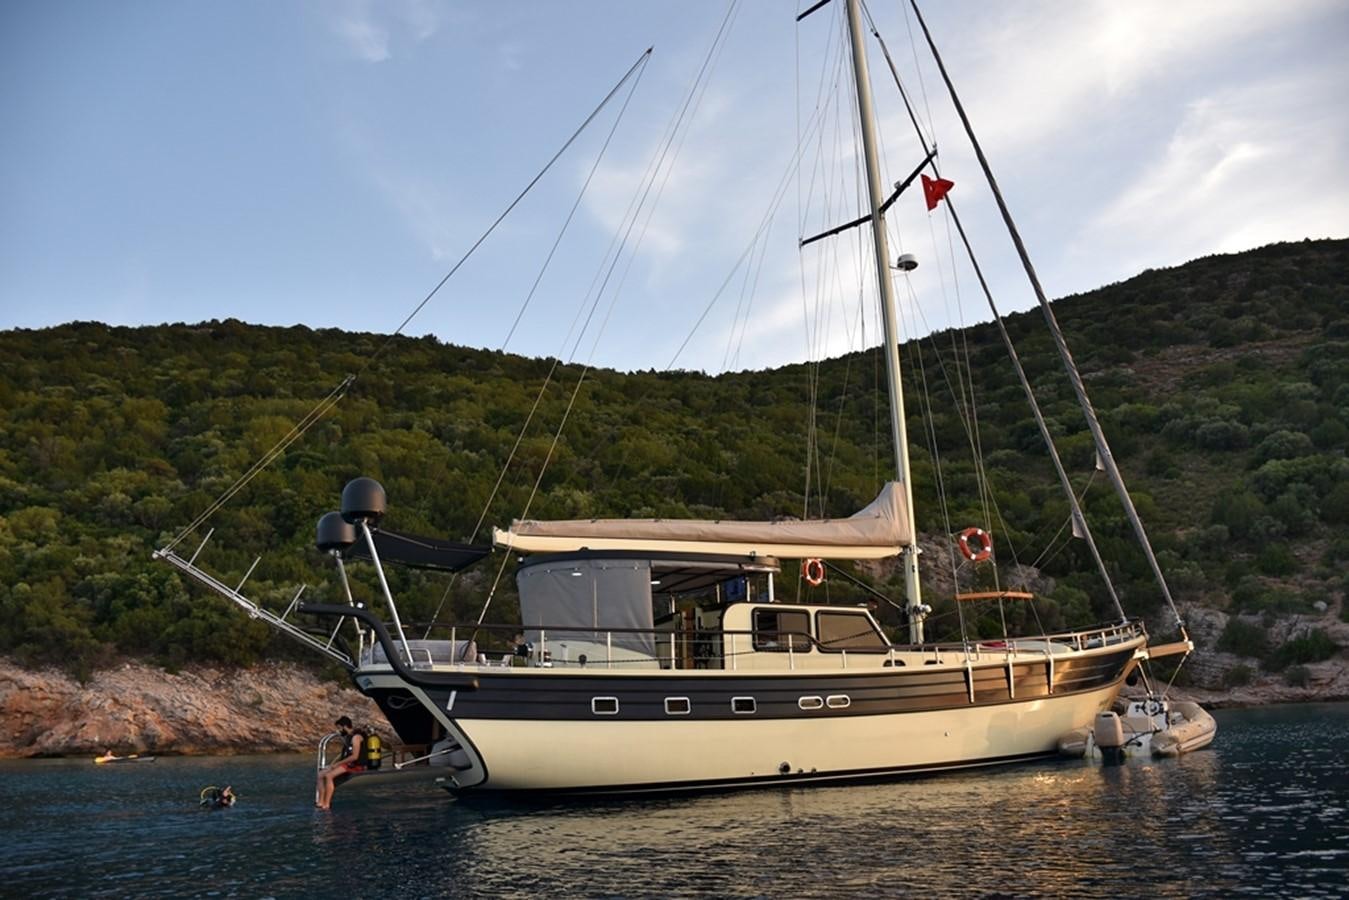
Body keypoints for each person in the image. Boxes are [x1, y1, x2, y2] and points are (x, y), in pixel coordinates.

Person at [315, 716, 365, 810]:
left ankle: (327, 804)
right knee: (320, 774)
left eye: (339, 728)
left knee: (329, 776)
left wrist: (338, 764)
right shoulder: (348, 737)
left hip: (356, 765)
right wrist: (333, 764)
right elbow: (345, 754)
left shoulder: (356, 737)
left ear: (345, 726)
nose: (338, 730)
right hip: (348, 763)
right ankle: (320, 802)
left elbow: (355, 756)